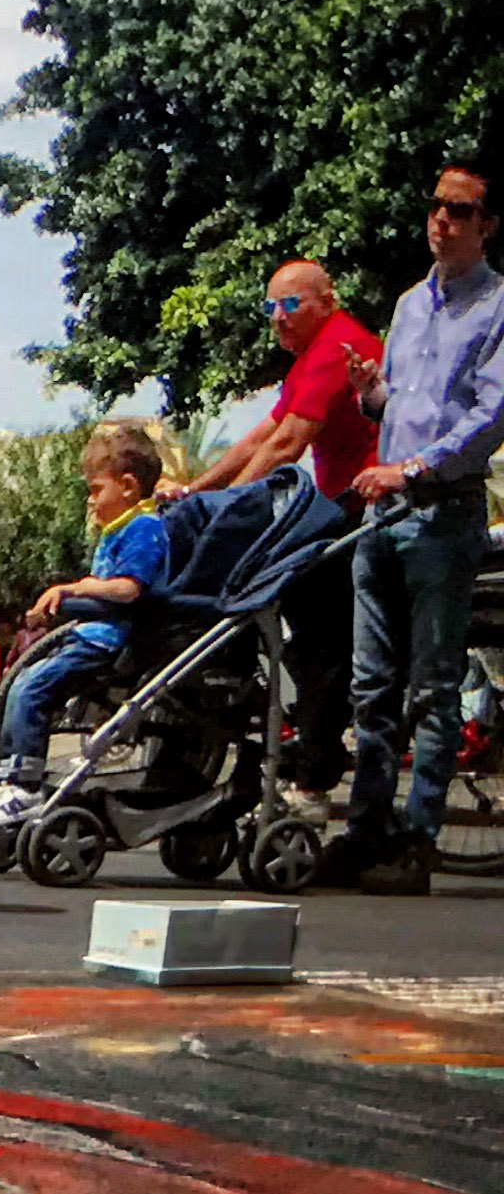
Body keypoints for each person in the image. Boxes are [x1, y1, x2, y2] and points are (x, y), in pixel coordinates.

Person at [325, 162, 504, 894]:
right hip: (384, 515)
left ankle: (418, 840)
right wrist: (372, 394)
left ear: (487, 226)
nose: (441, 221)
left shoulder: (497, 308)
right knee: (372, 688)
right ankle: (366, 829)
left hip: (441, 511)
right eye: (435, 206)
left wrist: (415, 468)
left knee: (432, 690)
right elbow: (398, 404)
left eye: (458, 211)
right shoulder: (409, 305)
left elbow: (488, 417)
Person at [179, 262, 375, 815]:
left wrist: (225, 511)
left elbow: (288, 446)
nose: (277, 318)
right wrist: (201, 491)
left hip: (367, 507)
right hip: (343, 503)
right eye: (269, 307)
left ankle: (314, 776)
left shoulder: (339, 347)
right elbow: (263, 434)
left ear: (325, 301)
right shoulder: (310, 358)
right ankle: (298, 734)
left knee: (319, 636)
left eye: (289, 305)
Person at [0, 424, 174, 838]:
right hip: (92, 634)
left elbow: (128, 589)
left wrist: (75, 588)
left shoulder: (143, 530)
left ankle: (23, 784)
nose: (90, 501)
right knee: (19, 685)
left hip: (111, 641)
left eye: (96, 490)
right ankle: (10, 774)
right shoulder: (122, 529)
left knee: (33, 689)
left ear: (128, 486)